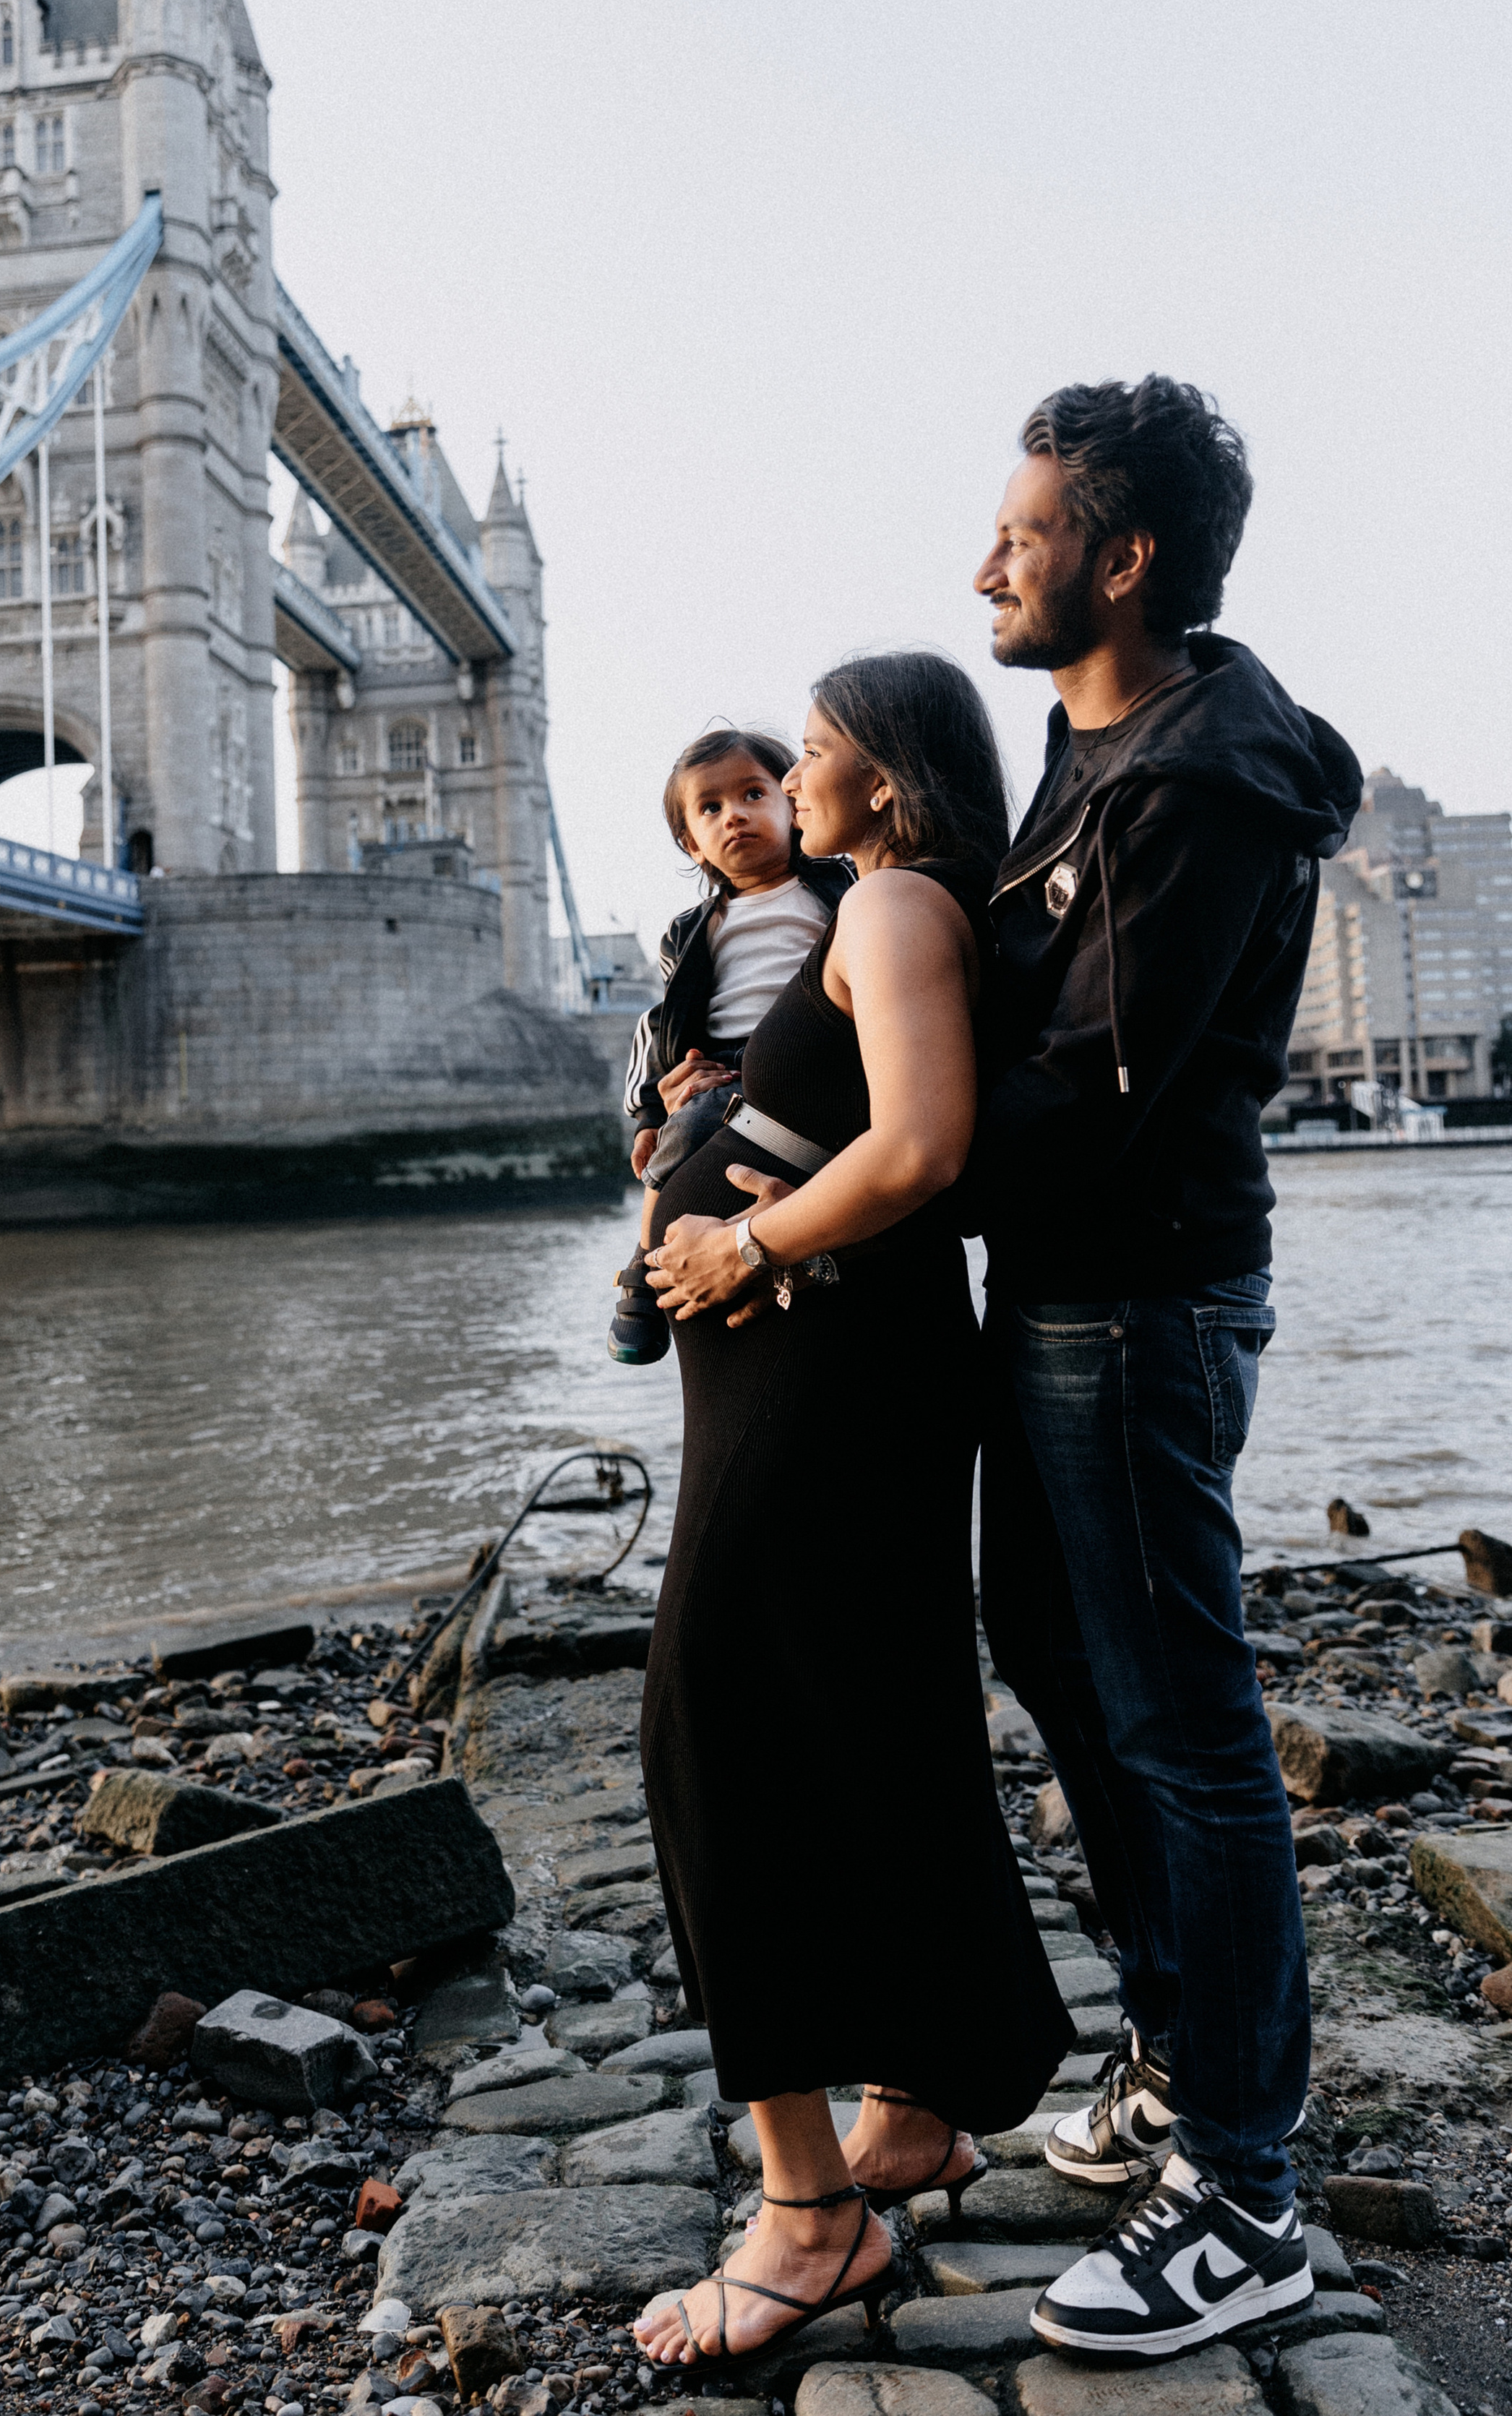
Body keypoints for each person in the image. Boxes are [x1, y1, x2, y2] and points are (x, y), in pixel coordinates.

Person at [968, 377, 1361, 2358]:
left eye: (1022, 535)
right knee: (1061, 1664)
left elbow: (1084, 1102)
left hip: (1132, 1303)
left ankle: (1250, 2189)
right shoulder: (1093, 744)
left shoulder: (1194, 783)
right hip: (1064, 1297)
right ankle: (1174, 2046)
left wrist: (828, 1189)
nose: (986, 567)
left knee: (1190, 1734)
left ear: (1120, 558)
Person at [630, 653, 1072, 2374]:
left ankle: (809, 2214)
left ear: (882, 777)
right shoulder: (872, 905)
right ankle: (907, 2109)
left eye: (808, 752)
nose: (787, 778)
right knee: (867, 1714)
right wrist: (704, 1135)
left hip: (826, 1365)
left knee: (708, 1726)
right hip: (826, 1366)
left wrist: (739, 1236)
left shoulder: (885, 905)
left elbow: (923, 1144)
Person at [607, 728, 851, 1364]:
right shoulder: (690, 934)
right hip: (726, 1071)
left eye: (752, 793)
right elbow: (657, 1027)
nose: (734, 815)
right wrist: (649, 1115)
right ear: (692, 842)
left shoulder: (843, 888)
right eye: (710, 808)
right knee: (685, 1134)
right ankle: (644, 1262)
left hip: (818, 1052)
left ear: (791, 801)